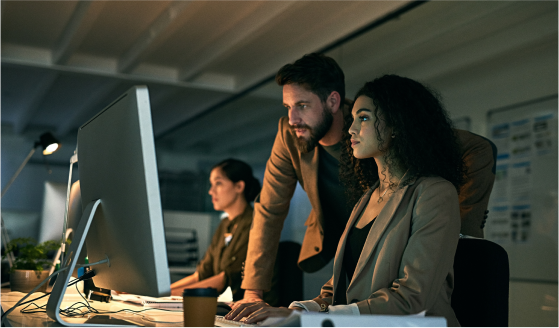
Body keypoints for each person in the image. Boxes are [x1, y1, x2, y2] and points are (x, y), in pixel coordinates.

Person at [239, 53, 495, 305]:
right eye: (288, 107)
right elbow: (269, 211)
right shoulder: (292, 135)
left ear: (332, 101)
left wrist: (459, 237)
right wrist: (255, 293)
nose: (292, 118)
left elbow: (474, 146)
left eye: (302, 105)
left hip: (404, 234)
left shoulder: (380, 118)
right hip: (355, 236)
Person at [170, 158, 266, 302]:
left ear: (239, 186)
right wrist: (163, 292)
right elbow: (201, 274)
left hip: (243, 309)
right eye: (211, 184)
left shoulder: (254, 224)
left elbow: (224, 280)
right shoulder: (225, 224)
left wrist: (167, 296)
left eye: (218, 183)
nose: (211, 191)